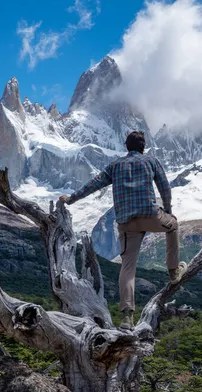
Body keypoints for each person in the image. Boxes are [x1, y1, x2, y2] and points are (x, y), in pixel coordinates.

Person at [59, 131, 187, 330]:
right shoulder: (151, 161)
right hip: (150, 216)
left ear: (126, 146)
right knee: (173, 225)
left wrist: (71, 199)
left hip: (126, 223)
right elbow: (164, 188)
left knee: (128, 267)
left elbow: (93, 184)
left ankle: (127, 317)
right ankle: (173, 272)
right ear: (143, 147)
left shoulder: (116, 165)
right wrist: (168, 210)